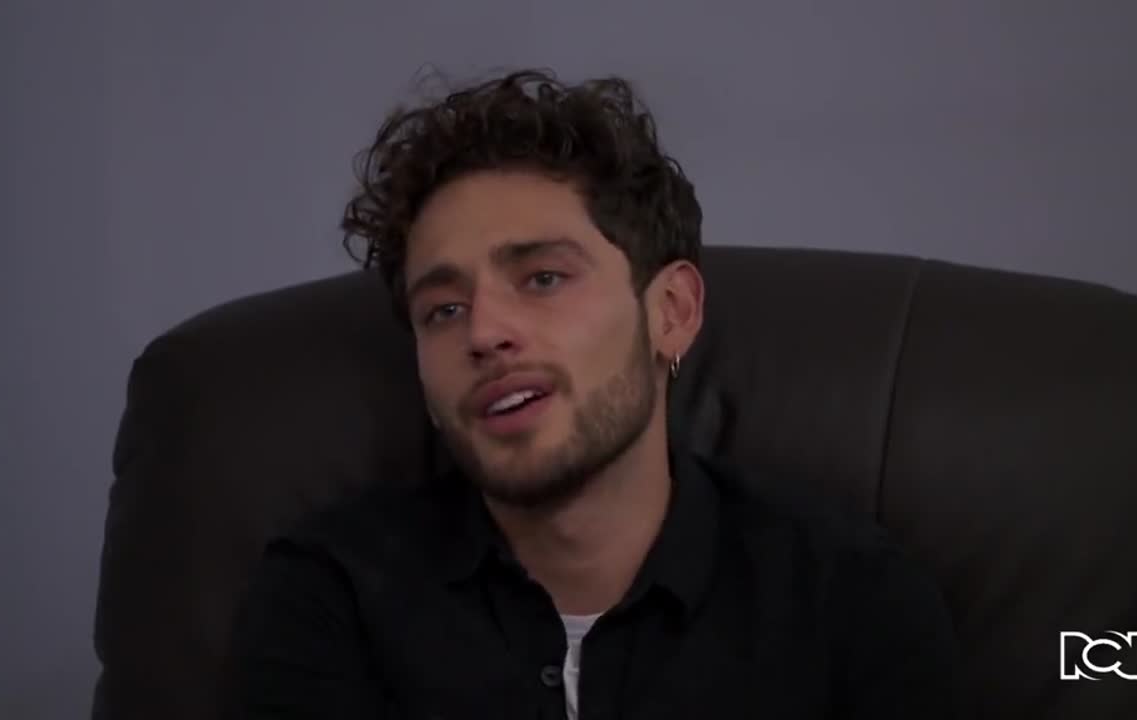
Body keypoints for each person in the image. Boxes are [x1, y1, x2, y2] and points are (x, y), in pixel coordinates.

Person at [226, 68, 958, 719]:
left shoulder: (851, 599)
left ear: (671, 313)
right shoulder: (330, 597)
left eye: (543, 278)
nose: (485, 333)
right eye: (443, 309)